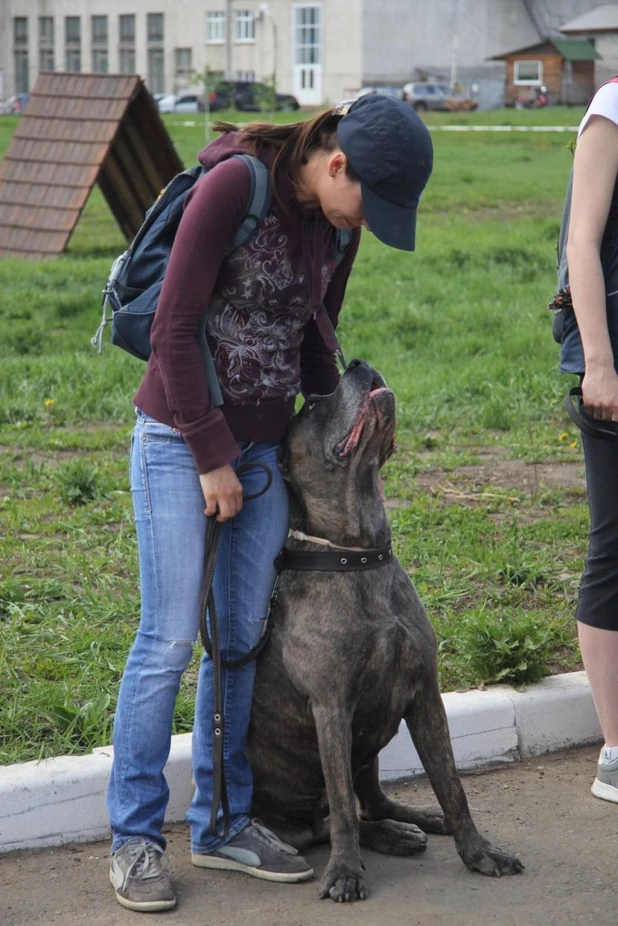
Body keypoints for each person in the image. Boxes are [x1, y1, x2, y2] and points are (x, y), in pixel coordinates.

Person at [106, 93, 434, 912]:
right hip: (179, 441)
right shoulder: (235, 187)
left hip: (261, 455)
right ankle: (136, 840)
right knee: (169, 638)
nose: (367, 222)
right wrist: (213, 457)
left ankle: (222, 823)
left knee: (242, 638)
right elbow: (177, 328)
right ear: (336, 165)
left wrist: (353, 435)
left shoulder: (340, 227)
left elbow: (318, 342)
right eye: (369, 199)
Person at [555, 77, 618, 806]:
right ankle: (615, 749)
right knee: (615, 545)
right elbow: (584, 240)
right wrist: (598, 361)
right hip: (612, 367)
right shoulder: (611, 109)